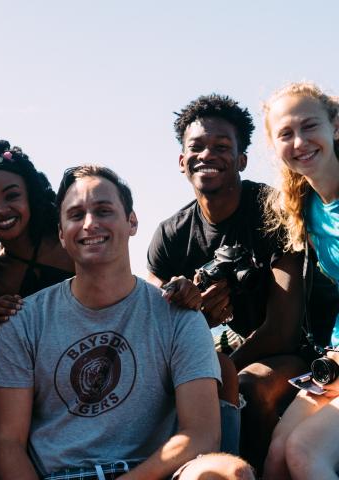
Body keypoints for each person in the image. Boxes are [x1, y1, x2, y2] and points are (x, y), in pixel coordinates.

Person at [0, 164, 255, 479]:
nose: (90, 224)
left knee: (229, 472)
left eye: (103, 211)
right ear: (61, 233)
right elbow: (8, 442)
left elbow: (201, 434)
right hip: (58, 474)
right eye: (75, 215)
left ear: (132, 222)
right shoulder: (24, 321)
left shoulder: (179, 315)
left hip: (150, 473)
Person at [146, 94, 339, 470]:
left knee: (250, 385)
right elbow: (153, 319)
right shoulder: (170, 235)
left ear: (242, 160)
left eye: (222, 147)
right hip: (233, 349)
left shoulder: (274, 210)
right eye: (196, 147)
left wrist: (221, 368)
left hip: (302, 349)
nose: (208, 155)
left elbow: (282, 330)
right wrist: (192, 309)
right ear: (182, 161)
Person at [0, 134, 74, 423]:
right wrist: (1, 328)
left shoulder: (69, 245)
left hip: (86, 351)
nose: (1, 209)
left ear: (30, 195)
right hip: (29, 377)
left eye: (12, 196)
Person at [262, 82, 339, 480]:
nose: (300, 142)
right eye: (286, 134)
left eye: (310, 127)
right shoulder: (306, 206)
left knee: (304, 452)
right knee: (276, 454)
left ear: (335, 127)